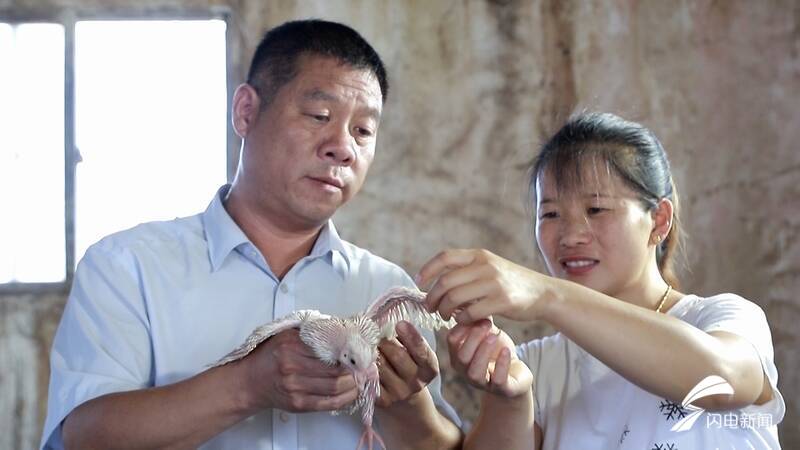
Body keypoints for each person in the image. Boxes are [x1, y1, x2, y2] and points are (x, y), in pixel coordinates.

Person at [41, 19, 462, 450]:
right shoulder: (126, 267)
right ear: (246, 111)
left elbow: (439, 445)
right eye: (320, 116)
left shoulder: (386, 291)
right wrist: (246, 385)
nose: (343, 147)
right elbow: (82, 437)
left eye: (363, 131)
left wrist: (409, 408)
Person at [416, 112, 784, 449]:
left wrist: (547, 294)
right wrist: (508, 398)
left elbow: (722, 380)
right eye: (551, 213)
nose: (571, 234)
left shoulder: (724, 318)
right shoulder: (536, 365)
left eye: (596, 209)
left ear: (658, 221)